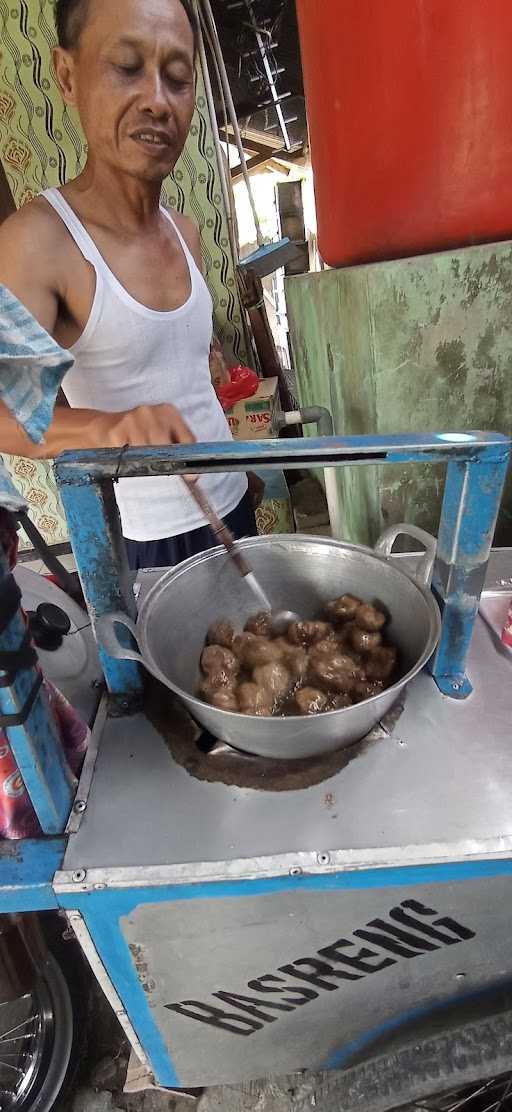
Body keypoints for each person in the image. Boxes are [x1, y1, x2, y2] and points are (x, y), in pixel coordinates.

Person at [0, 0, 260, 570]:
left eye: (177, 78)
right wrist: (109, 425)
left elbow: (178, 366)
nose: (157, 101)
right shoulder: (39, 242)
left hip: (231, 494)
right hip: (149, 536)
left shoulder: (185, 231)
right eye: (126, 66)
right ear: (68, 76)